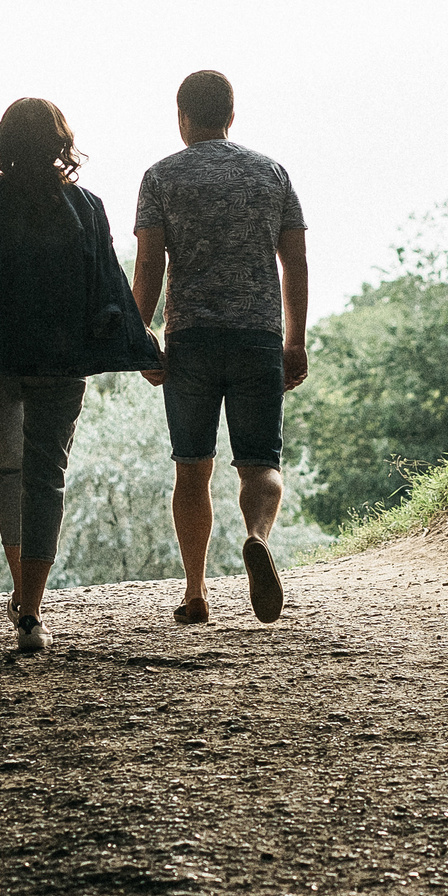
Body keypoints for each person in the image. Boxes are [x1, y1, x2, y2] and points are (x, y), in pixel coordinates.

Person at [0, 98, 163, 652]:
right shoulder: (88, 206)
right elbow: (108, 284)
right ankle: (30, 610)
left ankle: (19, 590)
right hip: (61, 361)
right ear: (60, 144)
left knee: (11, 466)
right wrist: (144, 347)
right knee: (46, 475)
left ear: (3, 143)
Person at [132, 69, 308, 625]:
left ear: (182, 117)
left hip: (191, 341)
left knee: (192, 469)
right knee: (260, 464)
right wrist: (296, 340)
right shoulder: (272, 174)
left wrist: (139, 337)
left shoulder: (160, 177)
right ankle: (257, 537)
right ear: (231, 115)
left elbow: (149, 266)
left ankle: (196, 592)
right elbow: (295, 262)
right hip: (258, 338)